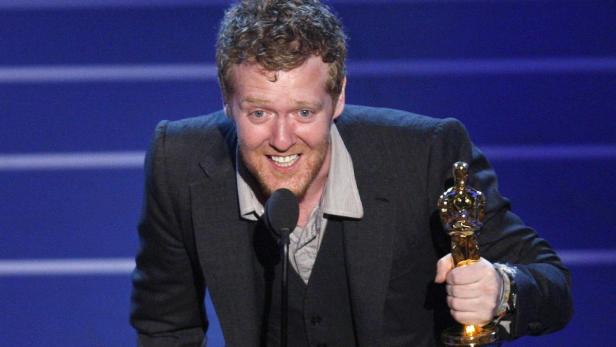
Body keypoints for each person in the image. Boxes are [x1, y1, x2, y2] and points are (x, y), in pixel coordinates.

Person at [130, 1, 572, 346]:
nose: (282, 139)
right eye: (259, 112)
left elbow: (552, 283)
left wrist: (502, 290)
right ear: (227, 101)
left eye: (304, 111)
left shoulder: (427, 154)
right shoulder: (180, 161)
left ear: (338, 98)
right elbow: (166, 326)